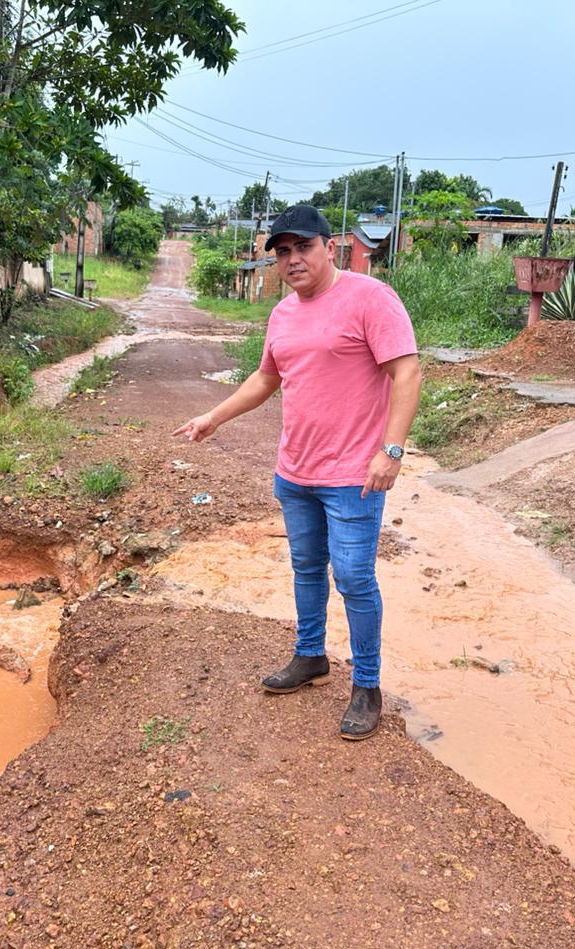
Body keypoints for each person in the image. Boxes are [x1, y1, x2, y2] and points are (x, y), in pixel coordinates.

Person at [173, 204, 420, 741]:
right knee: (306, 568)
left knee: (354, 578)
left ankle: (368, 685)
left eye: (303, 247)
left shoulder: (370, 298)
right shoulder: (283, 314)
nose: (292, 259)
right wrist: (212, 418)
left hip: (354, 474)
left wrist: (393, 451)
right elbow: (266, 380)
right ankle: (310, 656)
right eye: (283, 252)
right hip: (296, 471)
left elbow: (406, 371)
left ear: (329, 247)